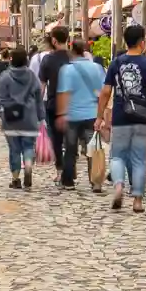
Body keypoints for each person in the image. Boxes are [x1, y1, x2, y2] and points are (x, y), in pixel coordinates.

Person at [97, 23, 146, 213]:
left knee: (117, 155)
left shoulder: (116, 63)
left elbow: (106, 91)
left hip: (121, 115)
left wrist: (99, 116)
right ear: (142, 42)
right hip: (142, 117)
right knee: (139, 159)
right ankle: (137, 201)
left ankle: (118, 186)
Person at [55, 38, 105, 191]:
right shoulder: (97, 68)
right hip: (92, 114)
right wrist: (102, 114)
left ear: (71, 50)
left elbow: (64, 93)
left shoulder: (67, 70)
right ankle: (96, 181)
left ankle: (68, 181)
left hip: (72, 115)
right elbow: (104, 92)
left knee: (70, 149)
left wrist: (61, 114)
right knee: (93, 148)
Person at [0, 46, 44, 190]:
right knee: (28, 145)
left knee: (14, 149)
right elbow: (38, 97)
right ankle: (28, 165)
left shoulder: (6, 76)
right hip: (29, 115)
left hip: (11, 116)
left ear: (11, 59)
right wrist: (41, 117)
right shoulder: (32, 76)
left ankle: (15, 179)